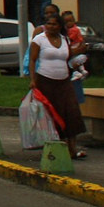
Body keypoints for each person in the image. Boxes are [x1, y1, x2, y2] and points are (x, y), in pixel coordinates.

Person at [28, 13, 87, 159]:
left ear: (60, 26)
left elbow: (68, 56)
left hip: (64, 81)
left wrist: (80, 51)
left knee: (71, 112)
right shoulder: (39, 40)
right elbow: (32, 60)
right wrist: (33, 80)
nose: (51, 27)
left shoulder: (64, 39)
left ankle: (72, 149)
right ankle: (57, 148)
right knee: (52, 114)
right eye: (48, 24)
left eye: (54, 24)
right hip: (45, 81)